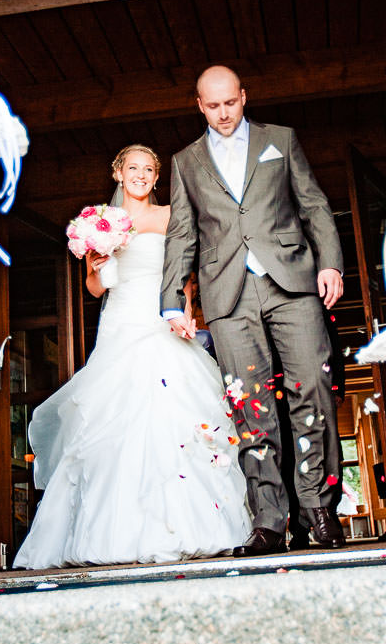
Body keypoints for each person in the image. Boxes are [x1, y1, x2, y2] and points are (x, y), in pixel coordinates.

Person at [12, 145, 250, 569]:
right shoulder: (98, 221)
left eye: (148, 169)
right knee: (113, 422)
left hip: (164, 322)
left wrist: (189, 315)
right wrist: (97, 267)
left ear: (156, 178)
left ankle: (194, 527)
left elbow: (186, 278)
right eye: (132, 167)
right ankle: (114, 533)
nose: (140, 175)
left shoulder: (170, 215)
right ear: (118, 172)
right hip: (122, 324)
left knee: (178, 418)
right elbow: (94, 288)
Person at [161, 65, 346, 557]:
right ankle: (268, 521)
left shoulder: (279, 140)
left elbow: (314, 206)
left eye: (230, 103)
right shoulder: (185, 161)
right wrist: (170, 300)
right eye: (212, 106)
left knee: (312, 388)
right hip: (227, 293)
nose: (223, 114)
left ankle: (320, 511)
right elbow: (182, 234)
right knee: (249, 406)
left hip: (291, 279)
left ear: (244, 97)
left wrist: (331, 264)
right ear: (199, 105)